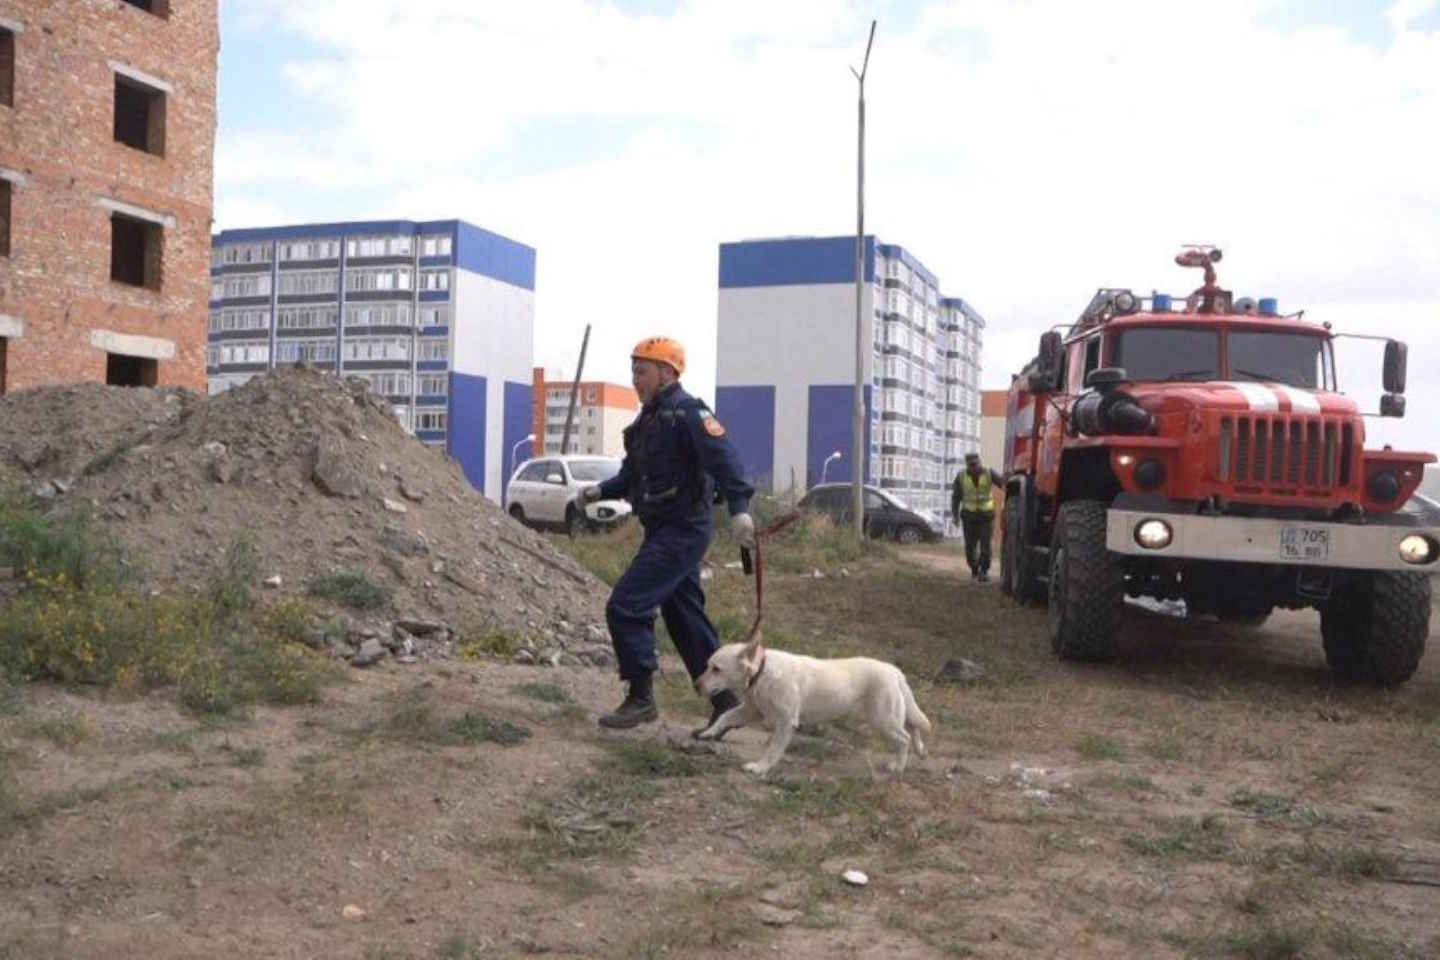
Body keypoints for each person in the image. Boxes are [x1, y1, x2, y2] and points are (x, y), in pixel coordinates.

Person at [581, 336, 756, 732]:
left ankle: (641, 697)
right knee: (684, 616)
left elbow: (725, 460)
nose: (634, 379)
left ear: (666, 372)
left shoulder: (688, 414)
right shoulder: (646, 423)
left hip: (683, 529)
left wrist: (740, 510)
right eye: (633, 371)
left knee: (626, 605)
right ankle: (726, 703)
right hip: (661, 528)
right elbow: (631, 476)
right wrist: (599, 490)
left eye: (641, 371)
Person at [950, 452, 1003, 582]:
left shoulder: (989, 473)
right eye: (972, 465)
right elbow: (956, 498)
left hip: (985, 517)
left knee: (986, 547)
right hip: (969, 518)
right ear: (967, 465)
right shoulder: (961, 476)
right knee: (970, 548)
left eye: (976, 464)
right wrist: (955, 516)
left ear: (980, 462)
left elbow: (1003, 484)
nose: (975, 467)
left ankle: (983, 571)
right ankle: (974, 568)